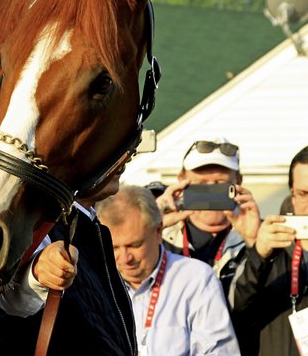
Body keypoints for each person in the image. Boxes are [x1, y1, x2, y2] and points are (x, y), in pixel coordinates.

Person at [0, 173, 137, 356]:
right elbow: (8, 301)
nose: (125, 157)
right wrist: (37, 272)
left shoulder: (87, 223)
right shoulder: (33, 219)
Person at [96, 185, 240, 355]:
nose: (125, 258)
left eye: (134, 245)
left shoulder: (196, 279)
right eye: (114, 248)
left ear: (158, 231)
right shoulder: (97, 283)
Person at [155, 137, 261, 295]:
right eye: (202, 184)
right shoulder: (159, 233)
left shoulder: (259, 237)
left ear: (238, 181)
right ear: (181, 181)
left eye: (220, 184)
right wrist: (151, 223)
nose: (211, 193)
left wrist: (255, 245)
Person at [229, 145, 308, 356]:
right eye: (303, 193)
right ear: (292, 195)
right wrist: (258, 253)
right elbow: (238, 308)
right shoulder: (272, 247)